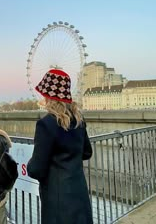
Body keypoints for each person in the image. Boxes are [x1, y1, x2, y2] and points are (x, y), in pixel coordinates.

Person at [27, 69, 93, 224]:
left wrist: (29, 165)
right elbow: (87, 152)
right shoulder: (78, 120)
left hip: (57, 197)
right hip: (78, 190)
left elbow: (37, 168)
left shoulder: (46, 124)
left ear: (49, 96)